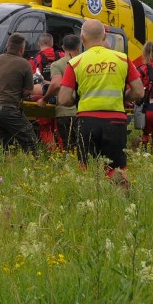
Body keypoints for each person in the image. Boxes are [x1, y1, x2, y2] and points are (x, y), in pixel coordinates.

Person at [58, 20, 144, 184]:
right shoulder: (122, 59)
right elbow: (139, 91)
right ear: (105, 36)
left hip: (87, 121)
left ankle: (90, 201)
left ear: (82, 38)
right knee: (117, 168)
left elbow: (63, 98)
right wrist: (122, 97)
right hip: (115, 120)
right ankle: (123, 202)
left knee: (86, 168)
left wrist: (78, 98)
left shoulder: (75, 62)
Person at [0, 33, 38, 156]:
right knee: (28, 136)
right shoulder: (24, 63)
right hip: (8, 108)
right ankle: (34, 163)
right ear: (22, 49)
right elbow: (28, 90)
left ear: (8, 46)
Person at [37, 34, 81, 150]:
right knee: (83, 147)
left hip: (64, 112)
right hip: (84, 112)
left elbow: (56, 84)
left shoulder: (57, 64)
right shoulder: (85, 62)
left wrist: (45, 99)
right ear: (78, 47)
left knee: (68, 147)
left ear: (62, 47)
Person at [29, 33, 64, 149]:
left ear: (39, 44)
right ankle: (64, 153)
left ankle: (52, 154)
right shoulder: (62, 56)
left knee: (46, 128)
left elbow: (30, 81)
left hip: (43, 99)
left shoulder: (35, 60)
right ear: (52, 43)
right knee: (60, 128)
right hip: (62, 98)